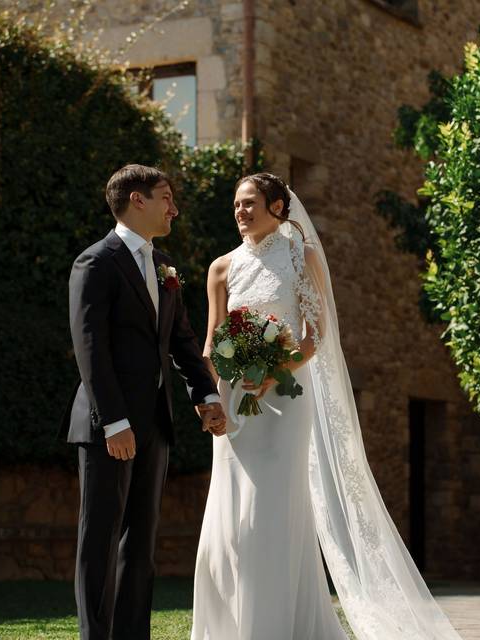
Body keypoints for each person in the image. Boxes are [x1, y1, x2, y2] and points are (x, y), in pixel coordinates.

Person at [191, 172, 462, 640]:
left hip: (284, 403)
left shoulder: (302, 257)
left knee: (269, 512)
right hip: (237, 409)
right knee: (230, 520)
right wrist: (216, 395)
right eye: (237, 204)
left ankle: (278, 626)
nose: (241, 211)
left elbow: (314, 338)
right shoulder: (221, 268)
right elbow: (212, 343)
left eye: (251, 202)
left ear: (279, 207)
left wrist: (270, 374)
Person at [62, 163, 228, 640]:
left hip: (156, 422)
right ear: (137, 200)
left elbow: (180, 340)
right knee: (99, 539)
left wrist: (207, 394)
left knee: (141, 543)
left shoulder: (163, 267)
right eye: (166, 197)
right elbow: (89, 346)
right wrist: (113, 422)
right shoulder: (95, 262)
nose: (173, 208)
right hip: (108, 427)